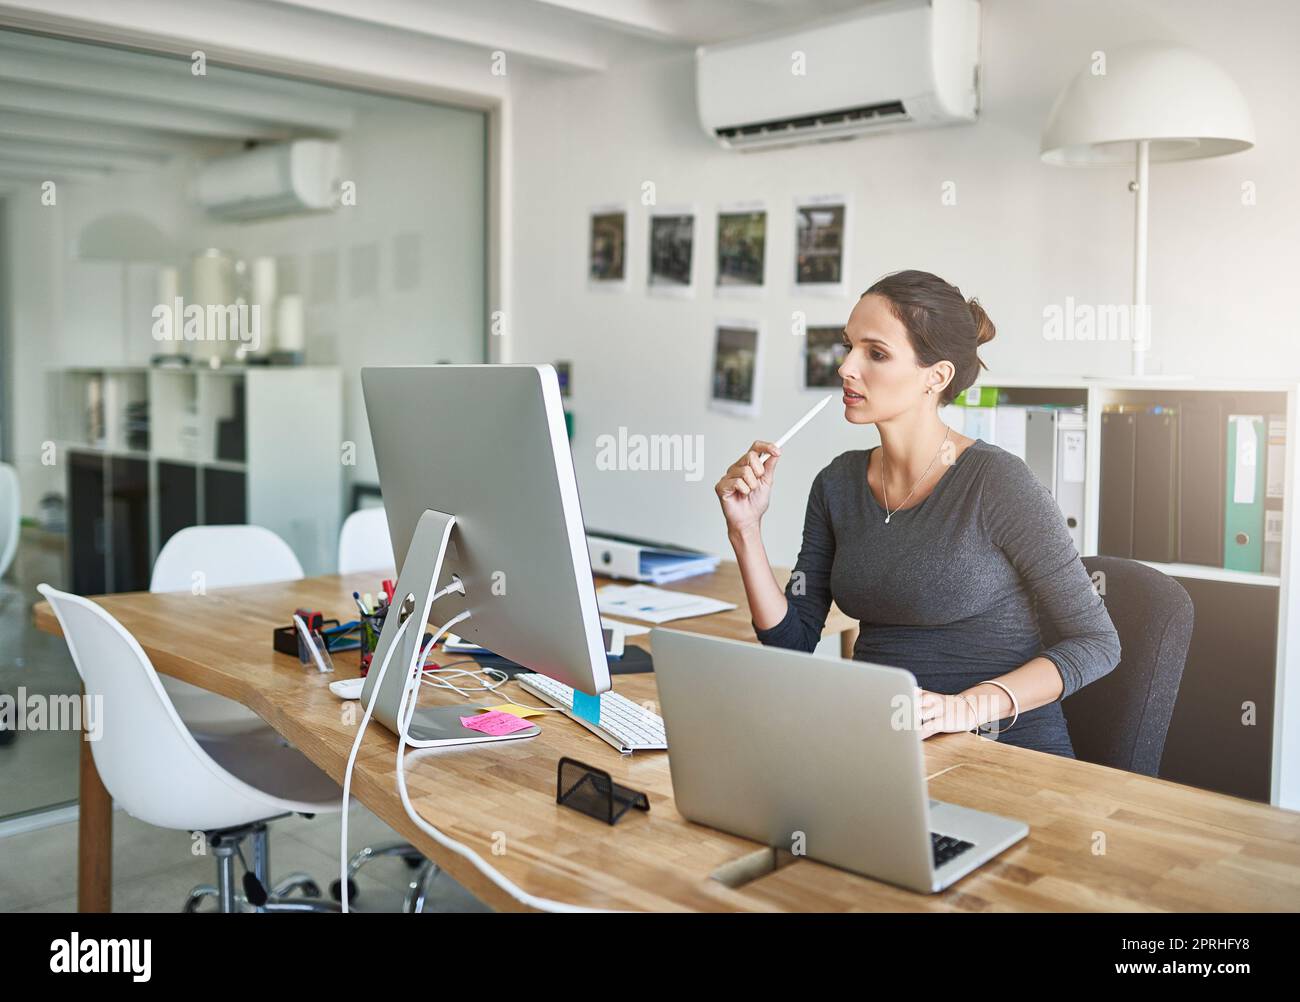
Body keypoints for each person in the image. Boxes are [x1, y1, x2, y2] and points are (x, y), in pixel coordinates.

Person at [715, 269, 1120, 756]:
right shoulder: (837, 484)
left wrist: (965, 707)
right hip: (883, 747)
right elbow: (793, 642)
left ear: (937, 376)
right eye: (848, 347)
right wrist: (746, 531)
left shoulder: (996, 483)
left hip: (1004, 755)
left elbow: (1097, 643)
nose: (846, 367)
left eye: (876, 353)